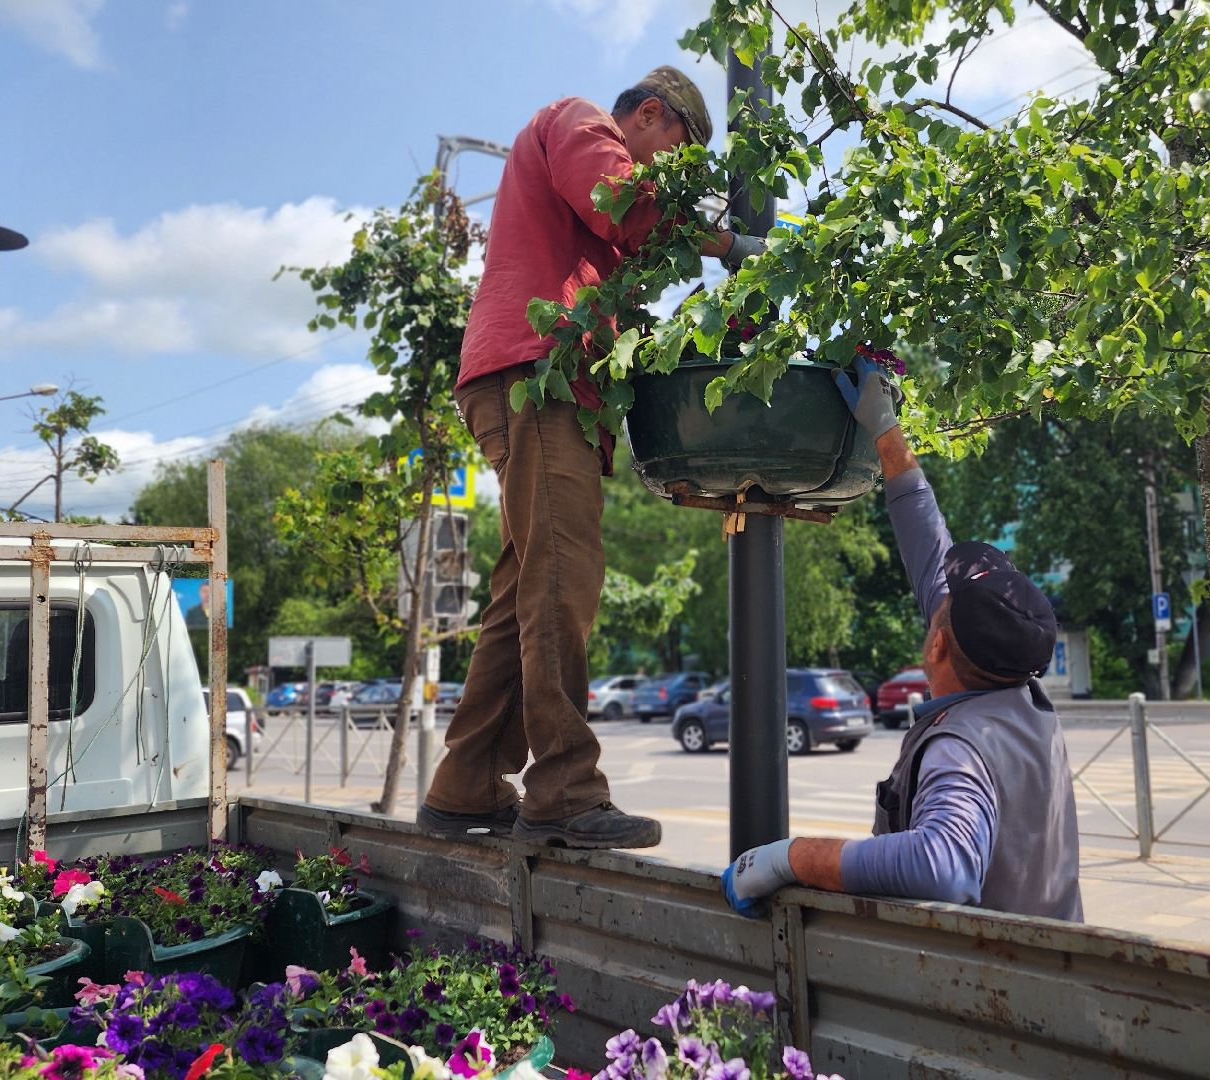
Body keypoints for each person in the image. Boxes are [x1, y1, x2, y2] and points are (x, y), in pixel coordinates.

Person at [419, 68, 767, 850]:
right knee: (561, 579)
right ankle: (566, 792)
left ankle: (465, 785)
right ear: (648, 114)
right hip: (534, 381)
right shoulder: (579, 122)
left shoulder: (584, 167)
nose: (660, 178)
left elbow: (624, 232)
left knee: (523, 591)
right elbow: (628, 207)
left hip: (539, 384)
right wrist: (731, 243)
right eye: (668, 156)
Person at [721, 356, 1084, 921]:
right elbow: (927, 543)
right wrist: (884, 428)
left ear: (938, 645)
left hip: (985, 997)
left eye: (941, 608)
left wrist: (790, 858)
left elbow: (943, 867)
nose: (935, 593)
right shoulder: (1023, 701)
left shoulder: (960, 748)